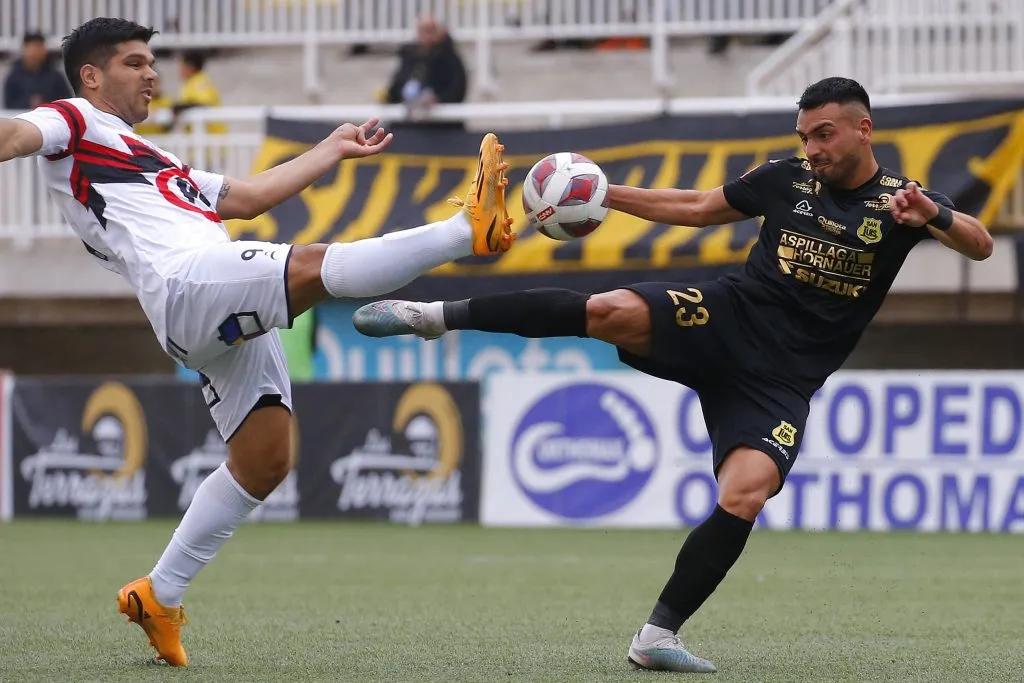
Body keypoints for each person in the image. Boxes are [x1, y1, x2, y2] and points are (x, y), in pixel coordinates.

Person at [352, 77, 993, 673]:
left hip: (783, 379)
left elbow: (979, 241)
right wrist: (600, 195)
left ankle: (657, 636)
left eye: (823, 134)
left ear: (863, 130)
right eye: (805, 135)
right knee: (606, 310)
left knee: (747, 491)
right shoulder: (785, 179)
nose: (812, 148)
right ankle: (432, 314)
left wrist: (934, 217)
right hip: (724, 318)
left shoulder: (902, 202)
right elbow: (696, 206)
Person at [0, 17, 514, 667]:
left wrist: (331, 148)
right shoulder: (73, 118)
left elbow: (245, 195)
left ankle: (159, 593)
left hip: (211, 299)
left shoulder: (157, 158)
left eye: (152, 61)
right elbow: (17, 133)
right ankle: (468, 230)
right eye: (134, 63)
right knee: (311, 265)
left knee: (267, 458)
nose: (151, 72)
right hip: (186, 286)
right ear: (93, 77)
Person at [3, 31, 73, 109]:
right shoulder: (13, 77)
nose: (35, 53)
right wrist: (27, 103)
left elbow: (66, 101)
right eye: (31, 48)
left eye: (39, 47)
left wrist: (45, 104)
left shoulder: (55, 76)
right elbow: (9, 105)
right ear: (24, 50)